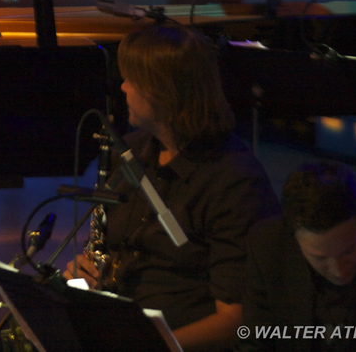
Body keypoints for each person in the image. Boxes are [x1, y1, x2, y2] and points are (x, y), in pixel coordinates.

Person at [66, 24, 279, 351]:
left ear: (161, 91)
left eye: (131, 80)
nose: (122, 87)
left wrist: (156, 345)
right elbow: (109, 247)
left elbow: (238, 317)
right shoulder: (133, 150)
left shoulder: (234, 182)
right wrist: (89, 271)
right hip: (122, 327)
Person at [238, 162, 356, 352]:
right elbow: (254, 341)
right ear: (292, 236)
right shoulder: (268, 246)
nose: (339, 270)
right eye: (320, 258)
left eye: (349, 251)